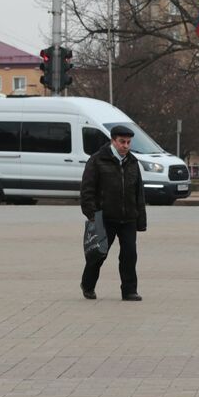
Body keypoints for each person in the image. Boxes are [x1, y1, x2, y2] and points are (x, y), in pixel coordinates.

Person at [79, 124, 147, 300]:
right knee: (98, 255)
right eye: (122, 142)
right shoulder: (97, 160)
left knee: (129, 255)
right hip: (105, 218)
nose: (125, 145)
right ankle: (87, 285)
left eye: (128, 142)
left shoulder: (132, 162)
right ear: (113, 141)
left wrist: (140, 220)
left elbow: (138, 193)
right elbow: (87, 191)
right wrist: (93, 216)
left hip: (128, 218)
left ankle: (129, 291)